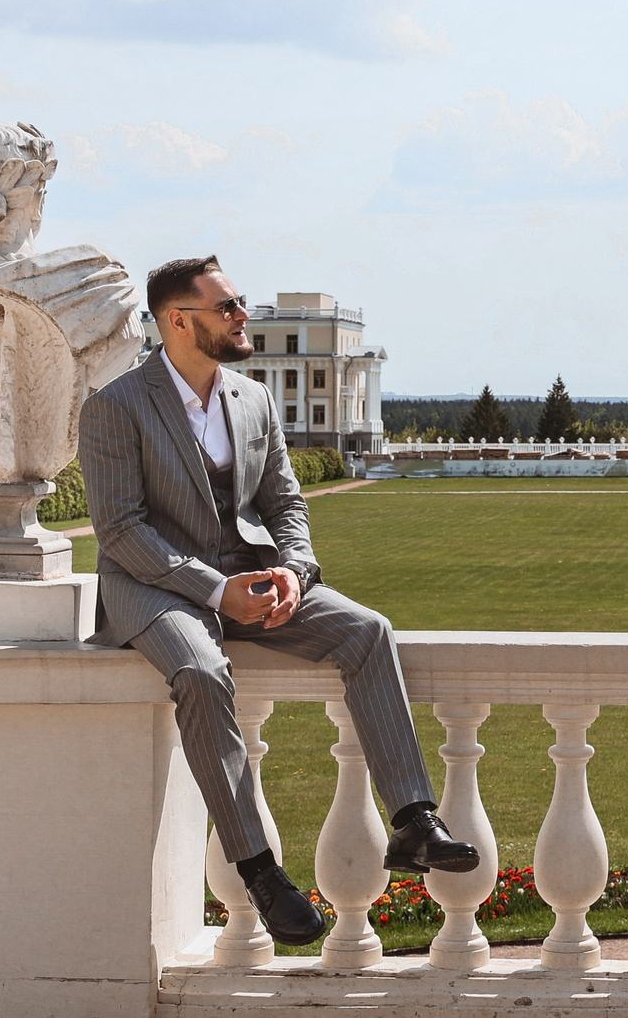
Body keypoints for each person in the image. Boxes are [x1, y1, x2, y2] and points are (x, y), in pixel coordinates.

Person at [81, 255, 479, 946]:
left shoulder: (252, 399)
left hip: (252, 575)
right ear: (179, 321)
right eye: (228, 306)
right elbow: (120, 531)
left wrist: (294, 569)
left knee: (367, 631)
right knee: (203, 674)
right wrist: (214, 591)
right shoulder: (115, 406)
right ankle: (261, 873)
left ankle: (414, 820)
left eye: (243, 304)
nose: (244, 317)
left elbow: (285, 504)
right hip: (151, 585)